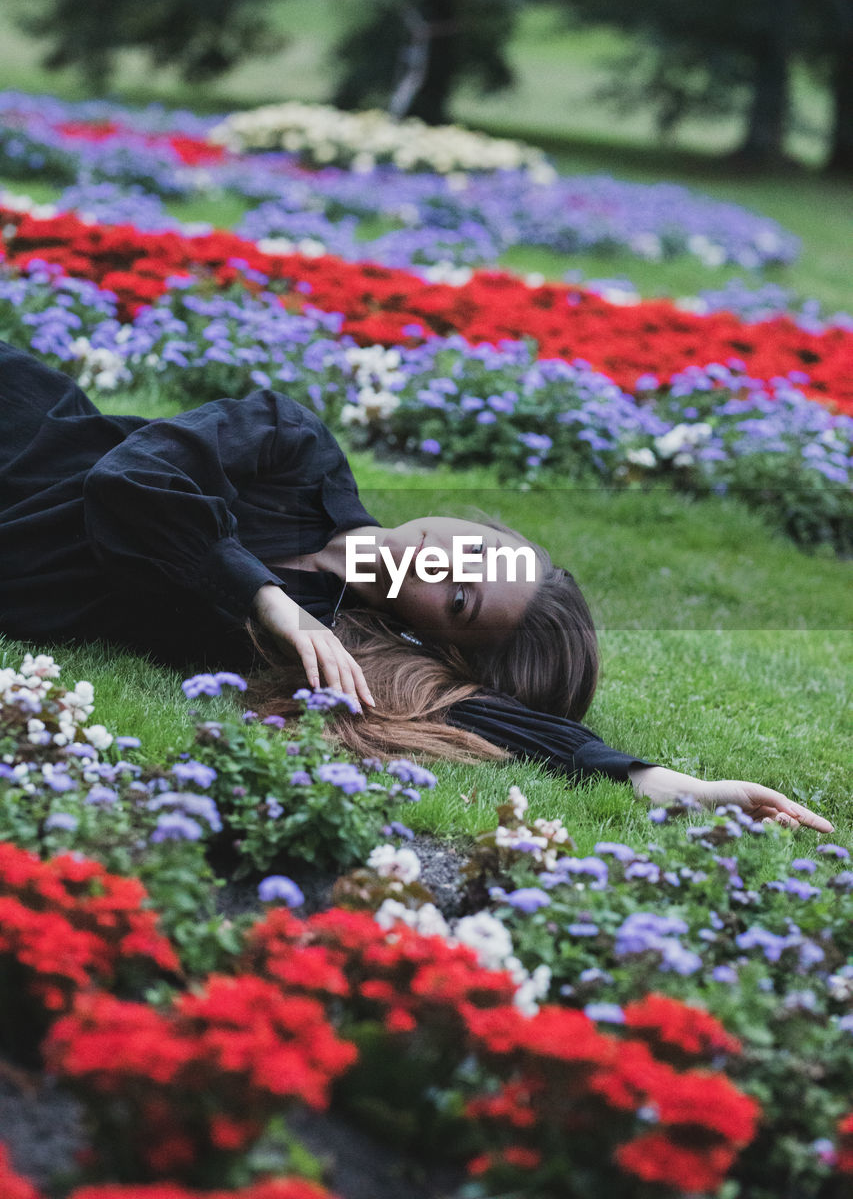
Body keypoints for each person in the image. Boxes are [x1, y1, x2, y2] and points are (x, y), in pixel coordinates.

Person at [0, 340, 833, 833]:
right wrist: (268, 600)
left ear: (437, 640)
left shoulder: (339, 651)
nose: (442, 560)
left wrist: (655, 780)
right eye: (483, 552)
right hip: (28, 429)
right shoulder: (297, 449)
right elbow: (131, 482)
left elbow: (482, 715)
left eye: (461, 597)